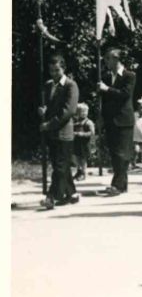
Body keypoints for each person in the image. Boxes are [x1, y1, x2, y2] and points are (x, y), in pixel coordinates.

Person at [39, 54, 80, 210]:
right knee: (60, 165)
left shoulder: (71, 85)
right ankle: (72, 193)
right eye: (51, 70)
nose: (54, 73)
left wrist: (49, 124)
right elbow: (48, 106)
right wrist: (43, 111)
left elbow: (68, 111)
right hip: (51, 133)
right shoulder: (48, 85)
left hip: (64, 132)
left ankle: (51, 197)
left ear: (64, 68)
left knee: (60, 167)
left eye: (57, 70)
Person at [98, 47, 136, 197]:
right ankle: (121, 184)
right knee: (115, 154)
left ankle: (117, 185)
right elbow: (105, 100)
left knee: (122, 154)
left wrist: (107, 89)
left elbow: (125, 95)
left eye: (108, 58)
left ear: (116, 59)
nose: (106, 62)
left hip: (124, 120)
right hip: (110, 120)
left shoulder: (129, 75)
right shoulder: (106, 77)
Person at [72, 103, 94, 181]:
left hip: (84, 143)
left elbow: (92, 133)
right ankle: (79, 171)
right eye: (82, 111)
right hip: (77, 143)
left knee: (83, 159)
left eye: (85, 111)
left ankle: (83, 173)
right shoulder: (75, 122)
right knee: (76, 157)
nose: (84, 113)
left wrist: (82, 134)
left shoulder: (88, 122)